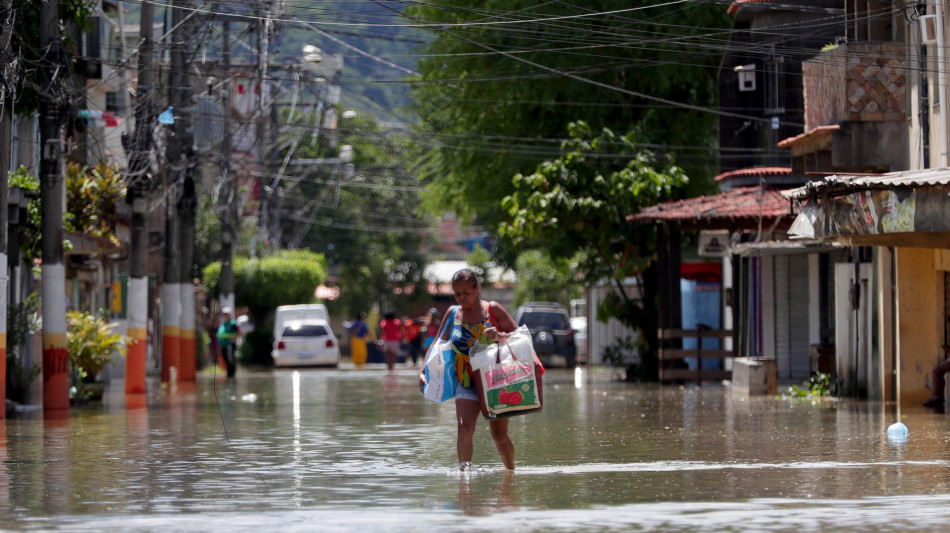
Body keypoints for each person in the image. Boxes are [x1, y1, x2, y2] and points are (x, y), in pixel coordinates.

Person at [417, 268, 519, 470]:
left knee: (499, 435)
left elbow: (521, 337)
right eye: (457, 294)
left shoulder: (493, 310)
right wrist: (422, 370)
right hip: (465, 381)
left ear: (477, 288)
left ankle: (511, 473)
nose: (462, 298)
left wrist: (500, 336)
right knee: (464, 428)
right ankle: (465, 477)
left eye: (466, 292)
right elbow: (437, 343)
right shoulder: (453, 314)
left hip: (495, 381)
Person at [217, 307, 241, 378]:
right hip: (223, 345)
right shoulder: (223, 324)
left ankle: (232, 376)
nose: (226, 316)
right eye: (224, 314)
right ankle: (229, 375)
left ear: (230, 315)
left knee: (230, 361)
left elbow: (240, 331)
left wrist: (233, 338)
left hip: (229, 345)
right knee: (226, 360)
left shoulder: (233, 323)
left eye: (227, 314)